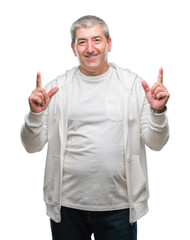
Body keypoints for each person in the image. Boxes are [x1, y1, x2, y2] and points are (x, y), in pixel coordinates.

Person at [21, 15, 170, 240]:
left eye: (97, 40)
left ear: (109, 43)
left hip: (119, 207)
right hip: (67, 207)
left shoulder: (133, 87)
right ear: (74, 48)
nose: (90, 48)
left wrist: (158, 112)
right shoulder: (56, 90)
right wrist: (35, 114)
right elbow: (32, 146)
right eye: (82, 42)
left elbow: (156, 143)